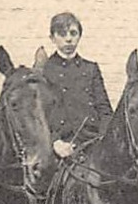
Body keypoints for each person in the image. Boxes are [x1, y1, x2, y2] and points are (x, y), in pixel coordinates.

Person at [41, 11, 111, 160]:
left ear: (79, 36)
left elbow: (104, 110)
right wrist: (55, 142)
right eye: (62, 34)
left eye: (73, 33)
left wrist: (102, 141)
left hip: (92, 144)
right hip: (59, 147)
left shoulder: (90, 69)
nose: (68, 39)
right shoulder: (45, 71)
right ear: (52, 38)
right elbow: (38, 115)